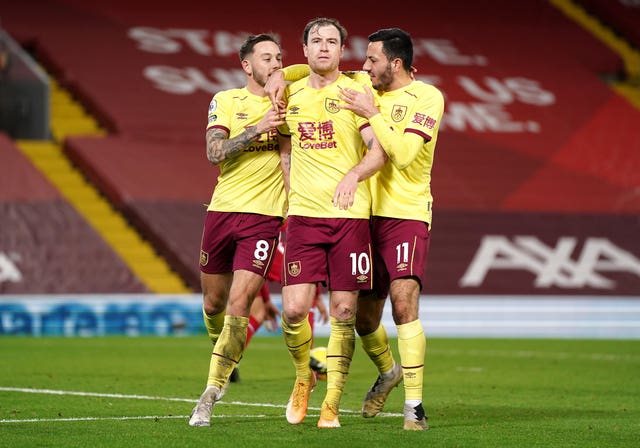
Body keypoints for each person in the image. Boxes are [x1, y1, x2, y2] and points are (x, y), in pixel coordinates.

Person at [275, 17, 387, 429]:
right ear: (304, 51)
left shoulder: (357, 92)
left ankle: (332, 404)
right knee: (292, 310)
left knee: (343, 311)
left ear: (343, 51)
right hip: (304, 216)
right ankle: (304, 375)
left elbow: (378, 152)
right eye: (316, 41)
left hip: (350, 218)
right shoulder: (290, 96)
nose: (324, 47)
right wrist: (290, 192)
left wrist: (353, 174)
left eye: (332, 41)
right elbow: (285, 149)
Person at [337, 28, 445, 431]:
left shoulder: (426, 97)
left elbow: (401, 156)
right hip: (362, 215)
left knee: (403, 305)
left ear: (395, 63)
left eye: (372, 60)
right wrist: (282, 75)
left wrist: (372, 113)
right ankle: (388, 372)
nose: (364, 67)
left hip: (406, 214)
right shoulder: (367, 87)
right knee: (364, 319)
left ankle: (413, 407)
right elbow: (323, 71)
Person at [189, 33, 287, 427]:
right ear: (247, 66)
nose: (275, 63)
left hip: (264, 220)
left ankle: (209, 395)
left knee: (239, 306)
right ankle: (222, 352)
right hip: (222, 212)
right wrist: (258, 127)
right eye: (266, 57)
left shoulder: (291, 105)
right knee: (213, 305)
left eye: (279, 57)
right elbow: (215, 153)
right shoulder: (226, 100)